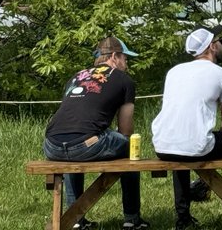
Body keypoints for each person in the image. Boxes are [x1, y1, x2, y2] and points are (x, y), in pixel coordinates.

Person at [42, 35, 150, 230]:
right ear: (115, 56)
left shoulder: (76, 76)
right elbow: (126, 129)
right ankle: (131, 219)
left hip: (52, 145)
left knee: (74, 153)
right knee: (130, 149)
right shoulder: (124, 80)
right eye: (125, 58)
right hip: (86, 145)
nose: (126, 63)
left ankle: (75, 220)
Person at [152, 27, 222, 230]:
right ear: (211, 47)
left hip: (162, 145)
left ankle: (183, 218)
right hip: (194, 146)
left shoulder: (174, 72)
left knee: (182, 143)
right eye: (220, 41)